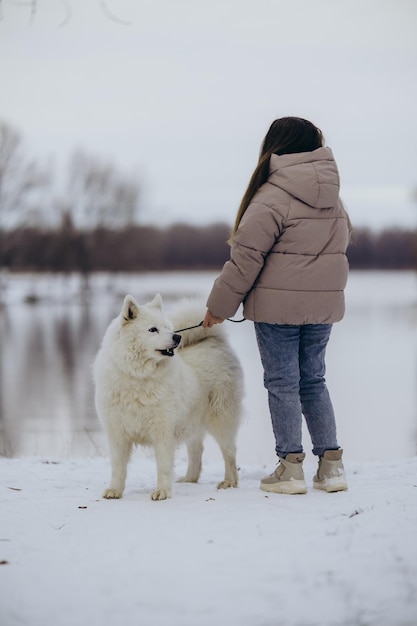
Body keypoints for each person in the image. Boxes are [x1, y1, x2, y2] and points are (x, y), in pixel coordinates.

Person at [203, 117, 351, 495]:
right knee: (313, 380)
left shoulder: (271, 195)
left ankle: (290, 468)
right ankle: (331, 468)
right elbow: (341, 244)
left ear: (276, 145)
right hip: (322, 309)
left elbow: (245, 259)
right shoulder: (333, 196)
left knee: (283, 383)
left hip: (276, 311)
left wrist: (218, 307)